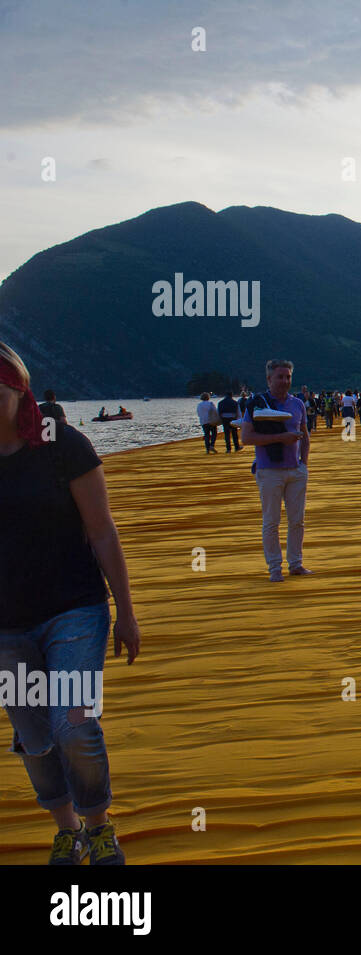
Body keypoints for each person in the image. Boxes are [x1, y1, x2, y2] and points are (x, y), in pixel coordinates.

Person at [0, 341, 140, 864]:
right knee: (34, 735)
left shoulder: (62, 445)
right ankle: (67, 830)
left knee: (74, 724)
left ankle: (99, 826)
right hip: (7, 625)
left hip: (73, 610)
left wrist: (126, 612)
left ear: (19, 391)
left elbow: (102, 532)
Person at [240, 359, 311, 582]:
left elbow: (305, 435)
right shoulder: (257, 404)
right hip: (269, 470)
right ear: (269, 379)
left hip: (295, 470)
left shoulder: (297, 404)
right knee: (271, 521)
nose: (285, 381)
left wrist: (304, 464)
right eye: (280, 377)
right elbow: (246, 438)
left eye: (288, 377)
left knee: (297, 520)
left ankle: (296, 563)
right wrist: (281, 437)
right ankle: (274, 567)